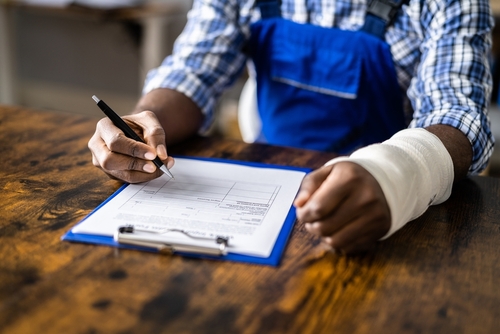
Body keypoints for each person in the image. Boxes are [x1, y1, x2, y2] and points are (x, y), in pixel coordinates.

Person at [88, 0, 494, 254]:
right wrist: (142, 123)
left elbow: (459, 117)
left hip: (380, 208)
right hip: (265, 195)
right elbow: (193, 71)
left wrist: (394, 175)